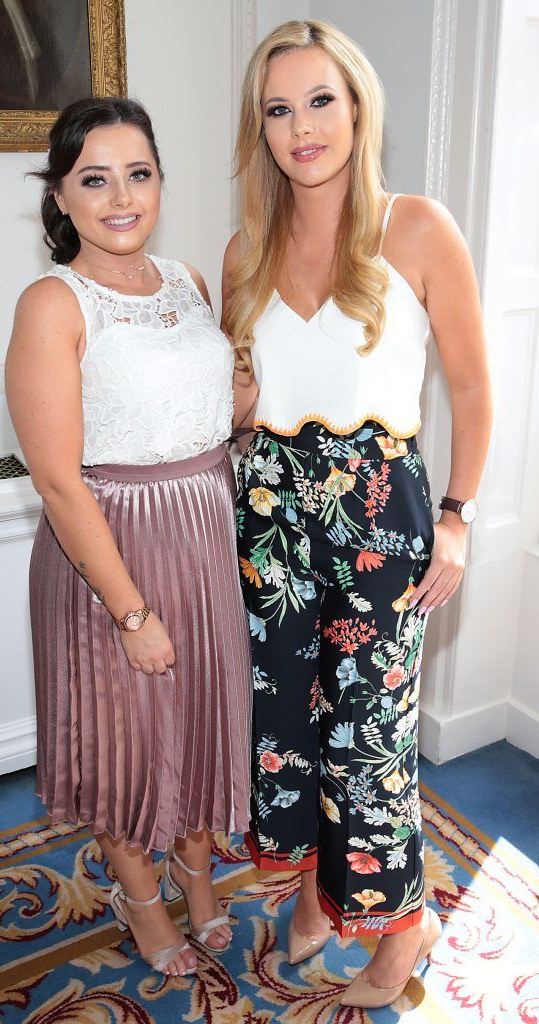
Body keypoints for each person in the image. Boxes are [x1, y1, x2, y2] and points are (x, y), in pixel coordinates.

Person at [222, 20, 492, 1010]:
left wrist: (459, 512)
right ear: (261, 127)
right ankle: (305, 898)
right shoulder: (245, 245)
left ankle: (399, 928)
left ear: (359, 105)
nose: (302, 126)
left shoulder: (418, 226)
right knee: (284, 725)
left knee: (368, 738)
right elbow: (252, 392)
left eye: (320, 99)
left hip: (381, 512)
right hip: (272, 508)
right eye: (279, 108)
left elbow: (470, 383)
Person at [5, 97, 251, 979]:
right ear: (61, 197)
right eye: (94, 179)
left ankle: (194, 869)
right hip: (111, 550)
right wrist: (130, 610)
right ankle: (140, 899)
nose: (120, 196)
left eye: (137, 173)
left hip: (203, 531)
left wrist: (247, 394)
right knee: (127, 743)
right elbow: (60, 480)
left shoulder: (186, 279)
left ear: (159, 182)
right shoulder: (53, 302)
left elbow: (209, 413)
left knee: (195, 722)